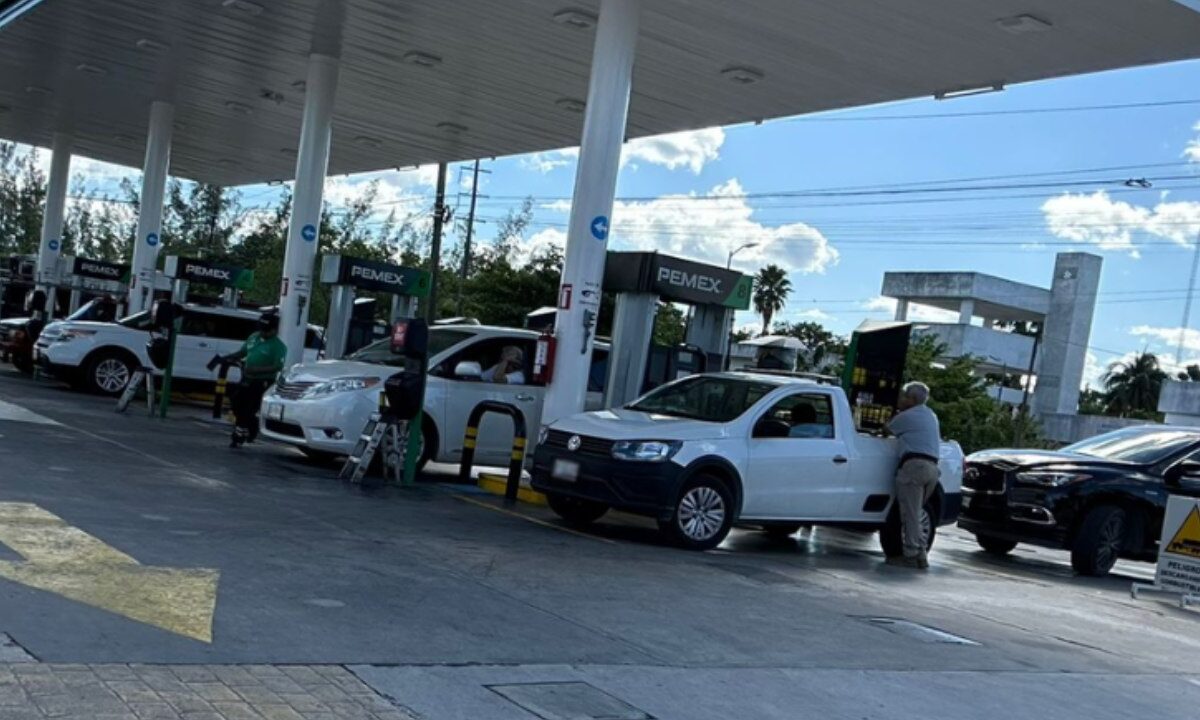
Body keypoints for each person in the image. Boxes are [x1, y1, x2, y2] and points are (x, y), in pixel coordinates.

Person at [886, 381, 942, 569]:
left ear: (911, 399)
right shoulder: (931, 415)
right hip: (932, 469)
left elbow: (887, 429)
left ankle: (910, 555)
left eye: (904, 396)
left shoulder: (907, 416)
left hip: (914, 467)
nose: (901, 399)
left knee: (909, 514)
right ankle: (921, 555)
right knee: (916, 513)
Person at [224, 312, 288, 448]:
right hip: (247, 378)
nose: (262, 332)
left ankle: (239, 435)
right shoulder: (254, 337)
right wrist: (228, 358)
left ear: (274, 330)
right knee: (236, 403)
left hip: (262, 381)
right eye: (261, 329)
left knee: (249, 409)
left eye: (266, 330)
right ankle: (251, 426)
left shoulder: (278, 346)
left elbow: (278, 366)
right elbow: (243, 352)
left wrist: (256, 370)